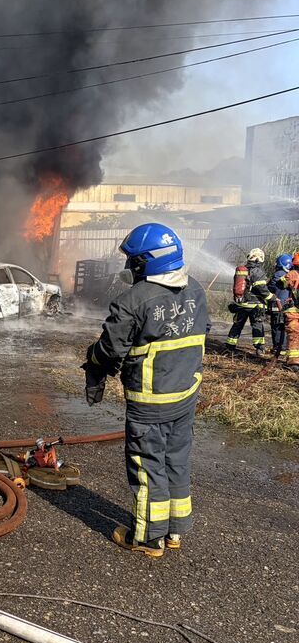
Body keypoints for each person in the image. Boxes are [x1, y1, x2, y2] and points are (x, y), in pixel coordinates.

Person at [82, 223, 209, 559]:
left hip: (150, 402)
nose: (129, 267)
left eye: (133, 261)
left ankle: (149, 539)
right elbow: (202, 331)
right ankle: (174, 532)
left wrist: (92, 360)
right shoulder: (196, 289)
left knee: (148, 465)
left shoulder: (133, 300)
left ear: (147, 262)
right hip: (186, 395)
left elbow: (110, 350)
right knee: (176, 461)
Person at [225, 248, 273, 356]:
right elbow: (262, 289)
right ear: (260, 259)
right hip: (256, 305)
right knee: (257, 326)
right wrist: (272, 297)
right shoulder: (258, 271)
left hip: (242, 304)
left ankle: (230, 347)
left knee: (237, 325)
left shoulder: (242, 270)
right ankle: (259, 349)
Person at [268, 254, 293, 356]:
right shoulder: (291, 275)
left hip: (277, 306)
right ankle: (283, 347)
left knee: (277, 327)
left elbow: (271, 287)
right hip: (286, 306)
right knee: (284, 327)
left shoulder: (278, 274)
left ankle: (279, 348)